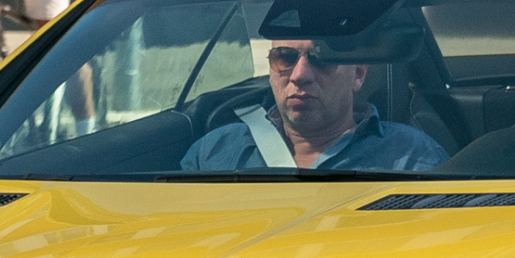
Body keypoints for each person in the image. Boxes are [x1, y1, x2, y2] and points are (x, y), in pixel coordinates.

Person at [177, 39, 444, 173]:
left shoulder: (411, 157)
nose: (300, 74)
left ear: (359, 74)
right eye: (285, 57)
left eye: (322, 59)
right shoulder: (214, 151)